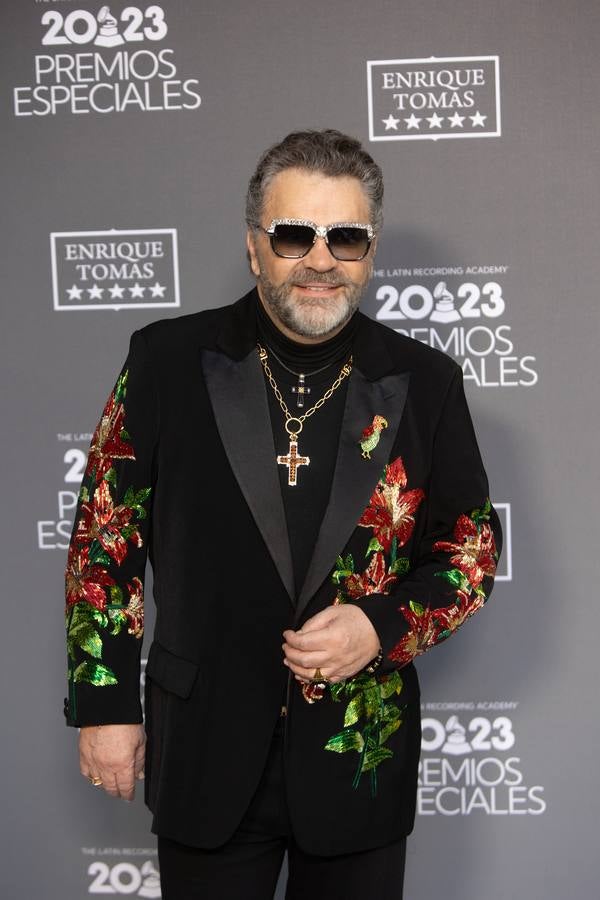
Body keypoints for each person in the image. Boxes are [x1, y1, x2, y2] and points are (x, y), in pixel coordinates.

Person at [65, 129, 502, 899]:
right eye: (294, 234)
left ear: (369, 251)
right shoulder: (166, 361)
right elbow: (107, 540)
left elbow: (470, 552)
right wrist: (105, 705)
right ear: (254, 246)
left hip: (356, 753)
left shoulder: (424, 382)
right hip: (204, 747)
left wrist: (382, 625)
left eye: (346, 237)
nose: (321, 259)